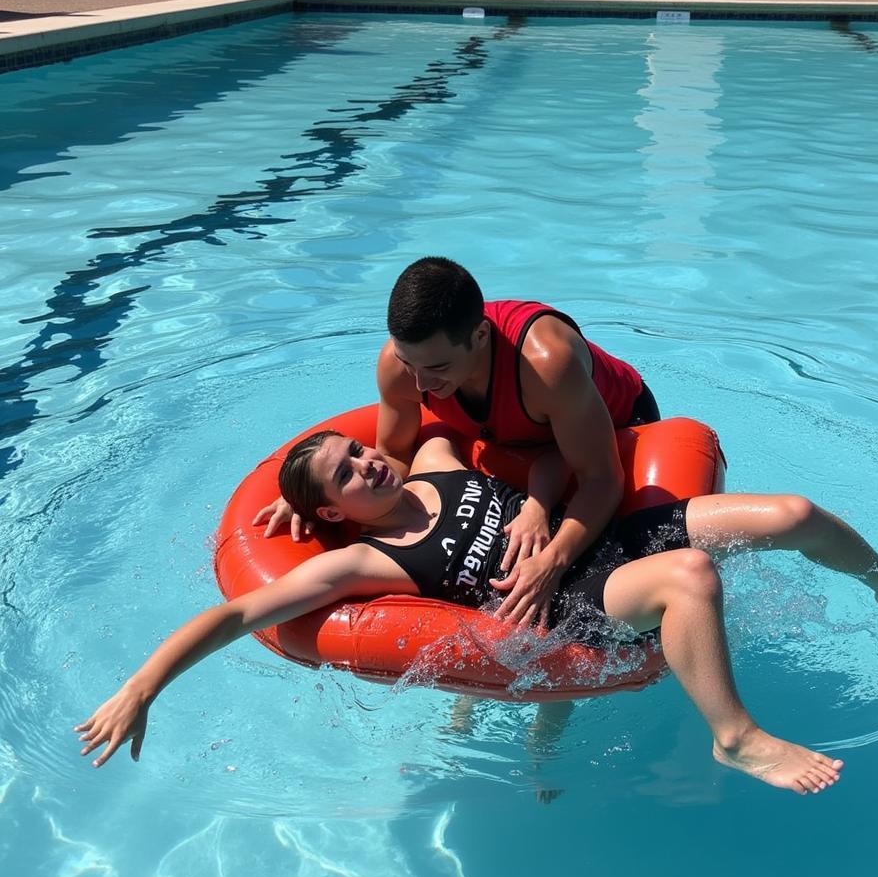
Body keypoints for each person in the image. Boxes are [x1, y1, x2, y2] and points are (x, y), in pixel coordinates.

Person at [76, 431, 878, 795]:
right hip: (580, 601)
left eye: (358, 452)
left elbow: (510, 438)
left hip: (602, 538)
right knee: (691, 579)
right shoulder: (361, 559)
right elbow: (238, 616)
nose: (367, 465)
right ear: (334, 516)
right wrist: (143, 685)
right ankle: (734, 735)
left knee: (790, 515)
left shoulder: (432, 455)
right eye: (348, 475)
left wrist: (543, 503)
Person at [260, 257, 662, 628]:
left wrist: (552, 560)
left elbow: (600, 479)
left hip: (615, 431)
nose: (420, 385)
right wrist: (311, 494)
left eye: (437, 368)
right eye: (408, 363)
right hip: (520, 448)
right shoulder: (401, 368)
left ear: (481, 335)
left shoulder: (545, 363)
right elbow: (396, 457)